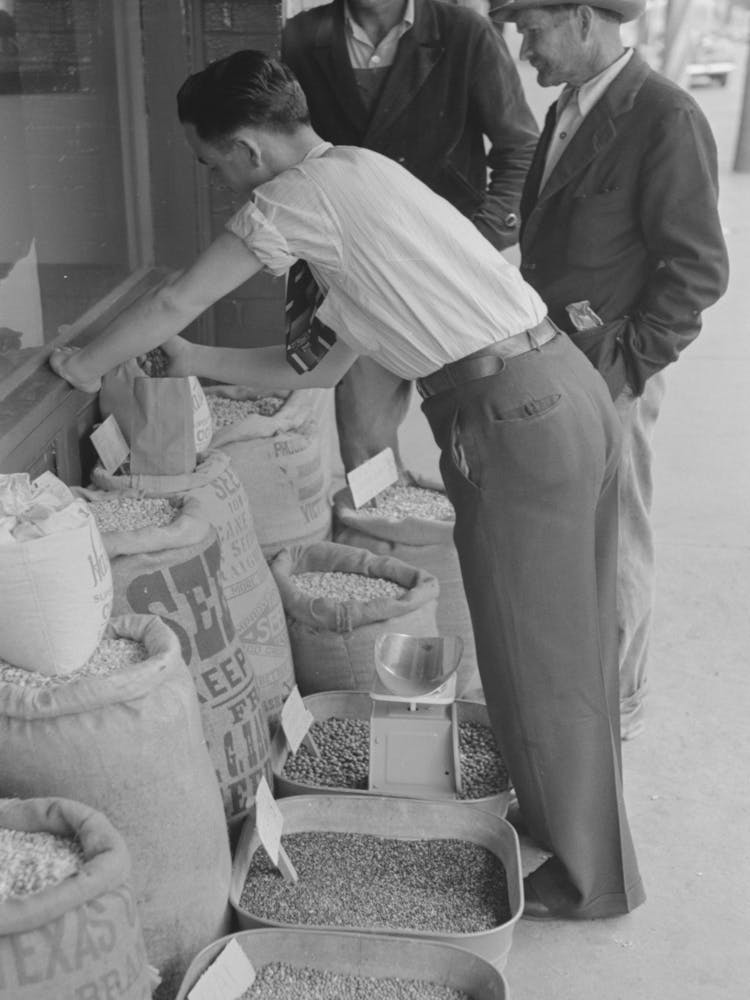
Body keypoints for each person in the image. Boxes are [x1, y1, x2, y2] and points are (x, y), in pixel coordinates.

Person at [50, 50, 645, 920]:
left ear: (249, 150)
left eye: (213, 162)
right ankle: (593, 855)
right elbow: (320, 367)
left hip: (509, 418)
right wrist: (197, 362)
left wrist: (78, 362)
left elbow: (177, 298)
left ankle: (585, 879)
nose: (220, 185)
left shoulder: (292, 201)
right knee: (571, 642)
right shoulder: (361, 176)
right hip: (561, 392)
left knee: (532, 660)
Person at [493, 0, 730, 739]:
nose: (524, 47)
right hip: (562, 358)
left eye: (532, 29)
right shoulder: (568, 105)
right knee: (574, 527)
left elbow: (697, 272)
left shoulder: (666, 117)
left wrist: (628, 368)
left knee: (617, 530)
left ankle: (619, 707)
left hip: (614, 366)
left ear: (582, 19)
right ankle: (579, 683)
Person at [281, 0, 539, 472]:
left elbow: (519, 146)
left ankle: (477, 540)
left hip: (451, 275)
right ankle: (382, 539)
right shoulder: (302, 36)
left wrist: (480, 240)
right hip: (358, 277)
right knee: (364, 443)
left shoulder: (465, 32)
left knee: (481, 435)